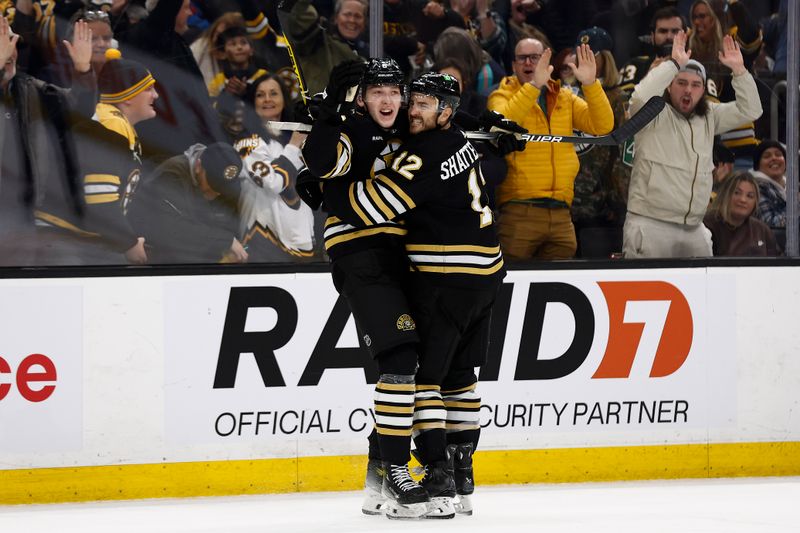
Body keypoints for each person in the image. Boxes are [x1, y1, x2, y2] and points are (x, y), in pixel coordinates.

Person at [322, 72, 510, 518]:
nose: (410, 109)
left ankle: (436, 473)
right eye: (413, 100)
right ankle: (462, 475)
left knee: (420, 377)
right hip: (489, 272)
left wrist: (327, 190)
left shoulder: (423, 153)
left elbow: (371, 208)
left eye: (422, 104)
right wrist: (495, 127)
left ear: (443, 111)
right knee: (461, 378)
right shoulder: (462, 137)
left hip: (446, 273)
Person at [300, 58, 430, 519]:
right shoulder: (349, 129)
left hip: (403, 256)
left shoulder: (405, 133)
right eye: (377, 92)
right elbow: (319, 162)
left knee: (414, 360)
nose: (388, 100)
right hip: (360, 256)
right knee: (398, 359)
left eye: (395, 91)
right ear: (361, 97)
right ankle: (396, 470)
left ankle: (377, 476)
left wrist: (486, 126)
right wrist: (330, 114)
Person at [622, 31, 762, 258]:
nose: (688, 90)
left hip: (694, 227)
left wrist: (740, 72)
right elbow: (637, 98)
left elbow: (752, 110)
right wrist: (673, 64)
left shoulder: (710, 116)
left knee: (704, 291)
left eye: (696, 85)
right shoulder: (652, 112)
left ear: (703, 90)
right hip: (650, 224)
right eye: (682, 83)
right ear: (669, 86)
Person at [487, 37, 614, 260]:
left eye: (535, 57)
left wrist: (590, 84)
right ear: (514, 65)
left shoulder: (565, 97)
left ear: (548, 63)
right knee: (510, 286)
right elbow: (501, 125)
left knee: (557, 287)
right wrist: (534, 86)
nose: (528, 63)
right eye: (522, 58)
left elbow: (602, 125)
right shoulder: (501, 94)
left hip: (562, 214)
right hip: (519, 211)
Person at [35, 49, 157, 265]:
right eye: (149, 89)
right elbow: (99, 197)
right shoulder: (112, 124)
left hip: (76, 238)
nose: (155, 95)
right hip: (64, 237)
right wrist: (128, 243)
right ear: (127, 96)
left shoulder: (119, 124)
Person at [0, 17, 97, 266]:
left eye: (11, 43)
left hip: (27, 214)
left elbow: (80, 111)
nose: (10, 52)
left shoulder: (30, 88)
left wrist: (83, 71)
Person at [234, 73, 315, 261]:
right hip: (262, 242)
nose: (267, 99)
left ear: (284, 100)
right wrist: (294, 146)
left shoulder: (301, 141)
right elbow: (272, 182)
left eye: (273, 93)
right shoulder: (247, 143)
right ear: (252, 103)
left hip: (303, 244)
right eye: (260, 95)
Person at [127, 142, 249, 264]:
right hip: (159, 265)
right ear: (198, 165)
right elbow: (171, 231)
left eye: (222, 186)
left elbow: (231, 229)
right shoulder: (172, 175)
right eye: (213, 182)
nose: (216, 192)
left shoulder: (229, 187)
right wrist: (225, 241)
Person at [282, 0, 368, 96]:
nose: (352, 20)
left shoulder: (369, 54)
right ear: (336, 17)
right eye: (347, 14)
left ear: (365, 22)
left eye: (358, 16)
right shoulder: (318, 38)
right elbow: (299, 13)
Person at [704, 171, 778, 256]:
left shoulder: (762, 230)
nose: (743, 200)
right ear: (726, 194)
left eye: (750, 196)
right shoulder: (708, 225)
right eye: (737, 193)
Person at [618, 7, 686, 97]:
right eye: (663, 31)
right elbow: (624, 104)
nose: (669, 36)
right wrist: (648, 79)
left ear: (685, 36)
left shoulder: (697, 69)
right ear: (652, 36)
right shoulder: (635, 66)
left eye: (675, 31)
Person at [207, 26, 267, 98]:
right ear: (223, 53)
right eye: (233, 44)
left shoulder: (264, 76)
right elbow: (210, 106)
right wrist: (226, 95)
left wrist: (246, 94)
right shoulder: (217, 82)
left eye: (243, 43)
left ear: (251, 50)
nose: (239, 47)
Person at [750, 139, 787, 229]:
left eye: (778, 155)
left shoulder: (794, 186)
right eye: (767, 156)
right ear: (757, 165)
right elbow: (770, 224)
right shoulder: (755, 188)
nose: (774, 158)